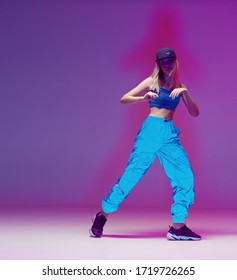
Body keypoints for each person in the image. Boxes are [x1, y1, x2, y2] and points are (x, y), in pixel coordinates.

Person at [90, 47, 201, 241]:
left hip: (169, 134)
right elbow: (124, 99)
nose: (168, 64)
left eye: (171, 61)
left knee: (184, 176)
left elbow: (195, 112)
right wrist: (144, 97)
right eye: (164, 62)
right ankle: (103, 214)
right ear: (158, 64)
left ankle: (178, 226)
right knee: (132, 175)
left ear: (175, 61)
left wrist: (185, 92)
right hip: (151, 131)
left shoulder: (179, 85)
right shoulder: (151, 82)